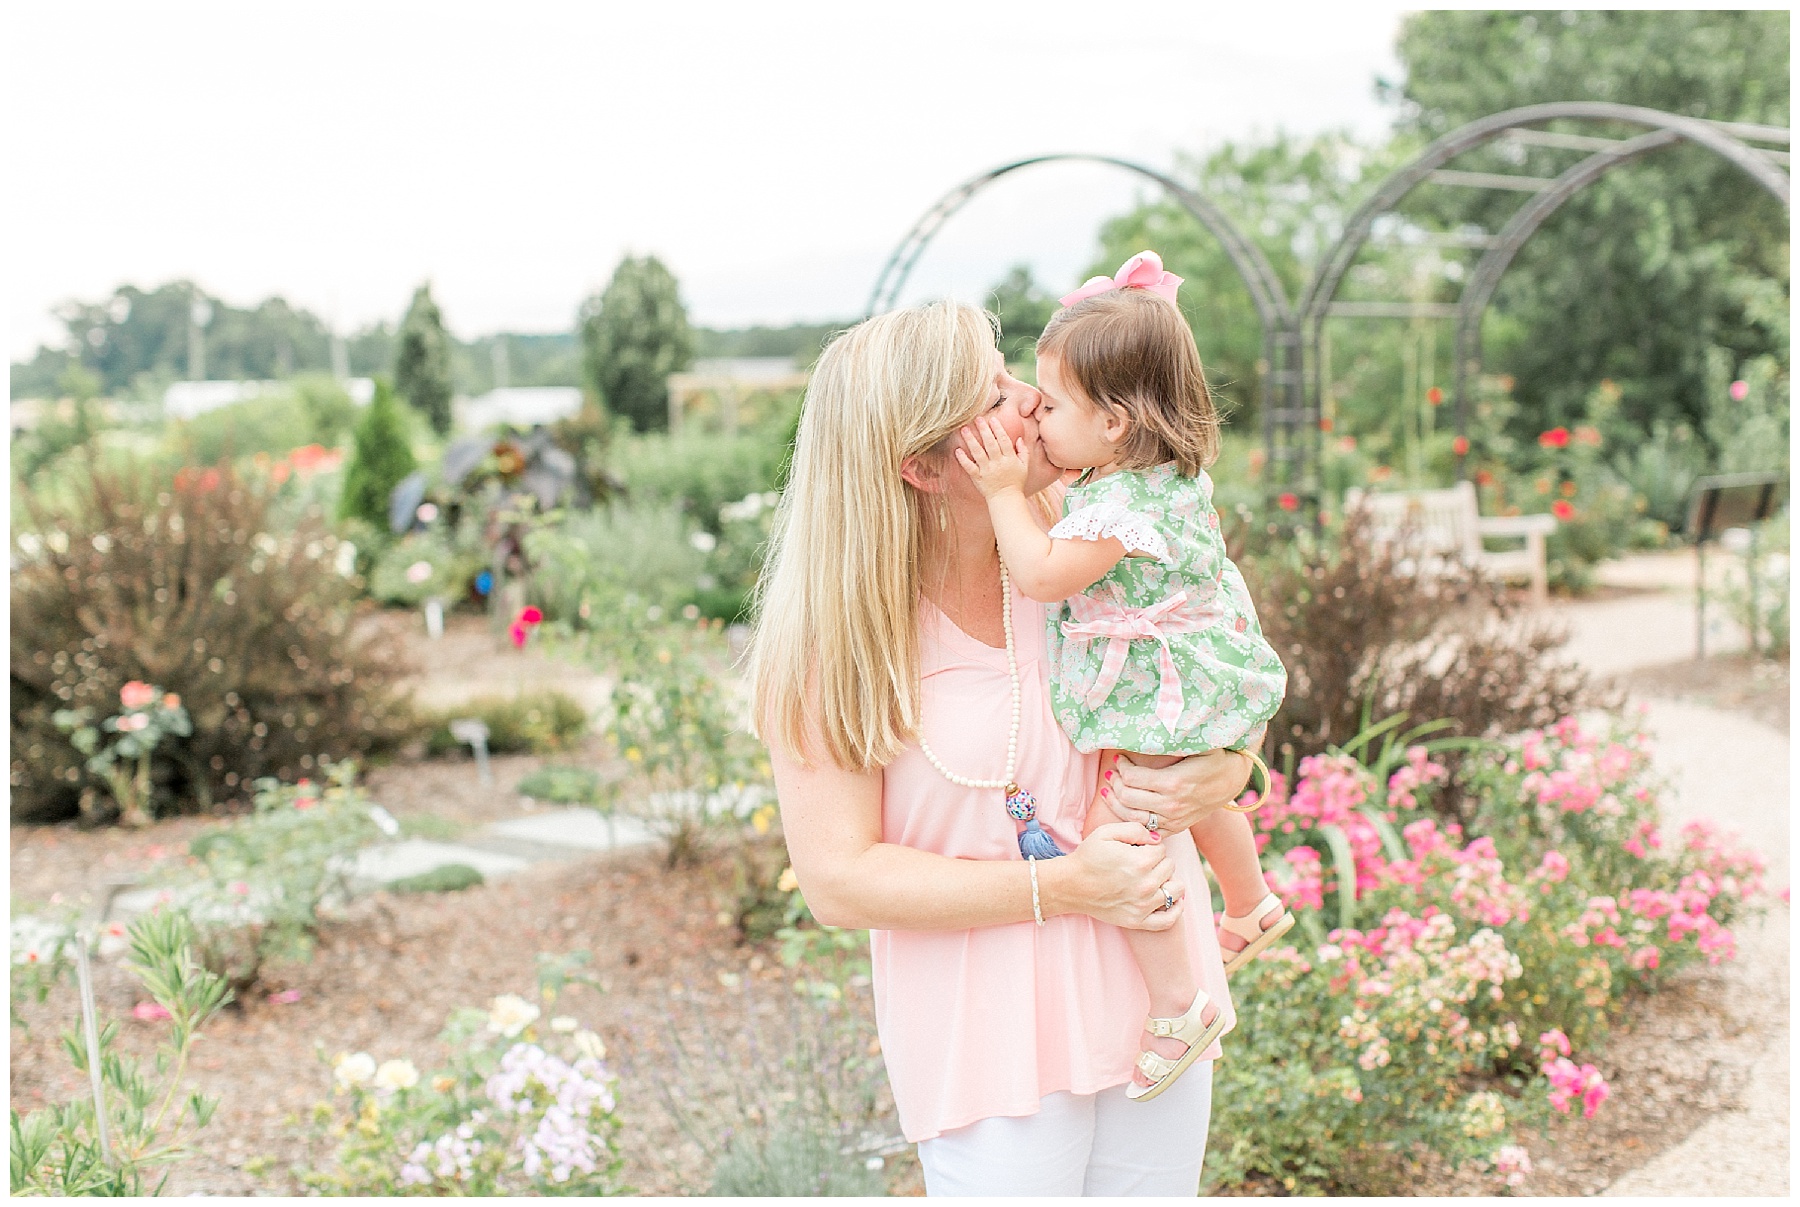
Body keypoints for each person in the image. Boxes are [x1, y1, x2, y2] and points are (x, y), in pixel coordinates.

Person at [747, 300, 1256, 1196]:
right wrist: (1059, 885)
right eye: (995, 394)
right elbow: (836, 878)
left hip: (1156, 1004)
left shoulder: (1090, 545)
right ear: (920, 465)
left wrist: (1231, 766)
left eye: (1013, 372)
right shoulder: (840, 642)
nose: (1030, 399)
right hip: (985, 1039)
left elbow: (1216, 668)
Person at [953, 250, 1292, 1103]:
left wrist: (1000, 489)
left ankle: (1181, 1002)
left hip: (1160, 696)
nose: (1036, 418)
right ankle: (1251, 902)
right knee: (1201, 801)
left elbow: (1039, 573)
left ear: (1113, 423)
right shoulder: (1153, 483)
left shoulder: (1117, 510)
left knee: (1121, 833)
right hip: (1195, 686)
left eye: (1053, 403)